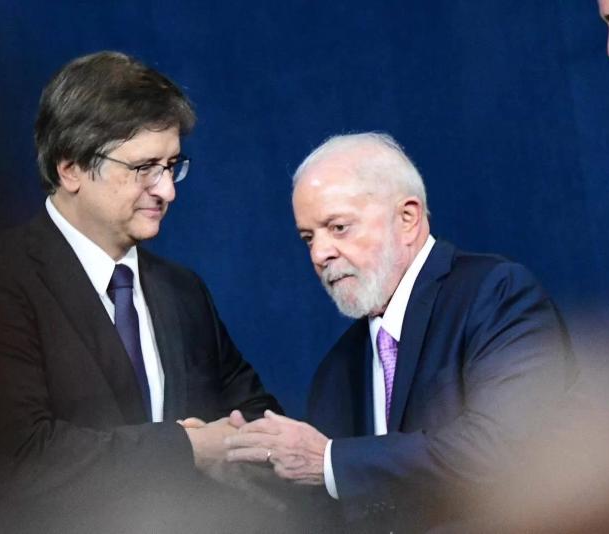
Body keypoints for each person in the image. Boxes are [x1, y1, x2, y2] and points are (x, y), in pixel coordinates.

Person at [0, 51, 283, 533]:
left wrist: (244, 446)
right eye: (144, 167)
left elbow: (256, 417)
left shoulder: (183, 292)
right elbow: (21, 456)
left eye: (172, 166)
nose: (166, 190)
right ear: (70, 168)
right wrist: (186, 449)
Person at [226, 132, 574, 532]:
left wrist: (330, 460)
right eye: (308, 238)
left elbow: (510, 451)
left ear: (407, 219)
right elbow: (335, 503)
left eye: (338, 227)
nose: (320, 254)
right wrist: (258, 469)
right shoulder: (337, 371)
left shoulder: (495, 293)